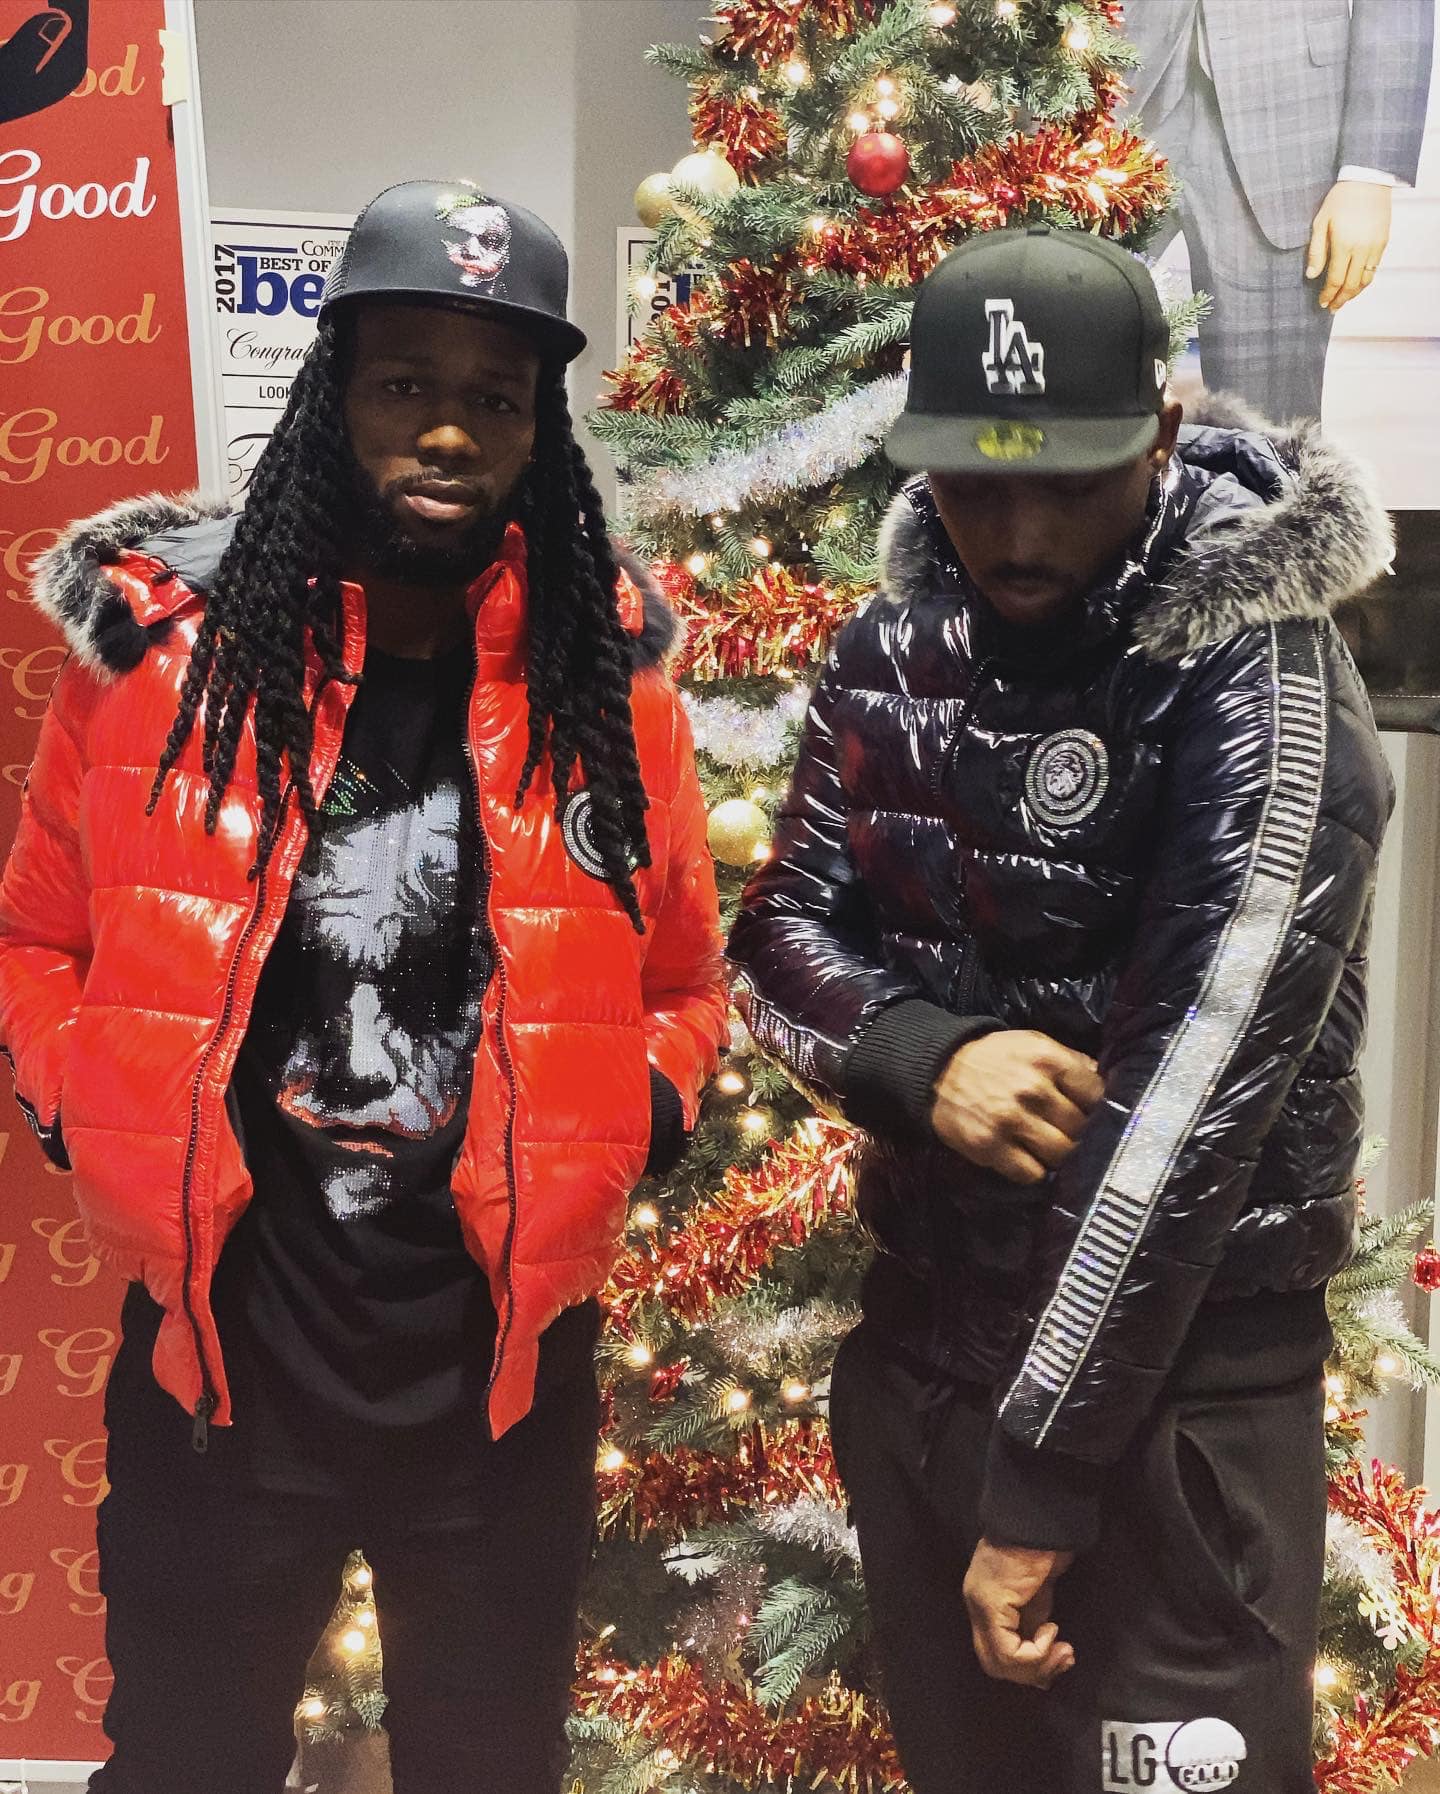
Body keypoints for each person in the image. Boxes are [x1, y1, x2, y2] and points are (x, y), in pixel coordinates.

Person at [0, 178, 727, 1794]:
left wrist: (643, 1110)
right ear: (333, 391)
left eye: (496, 397)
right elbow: (36, 940)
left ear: (538, 428)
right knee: (182, 1762)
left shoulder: (607, 687)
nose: (450, 431)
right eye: (406, 383)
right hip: (222, 1370)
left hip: (498, 1382)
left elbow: (684, 974)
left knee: (490, 1764)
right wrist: (74, 1100)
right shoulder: (158, 661)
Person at [728, 224, 1393, 1792]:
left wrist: (1037, 1486)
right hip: (929, 1361)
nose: (1017, 534)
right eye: (974, 485)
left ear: (1159, 434)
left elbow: (1186, 1110)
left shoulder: (1259, 678)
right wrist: (919, 1053)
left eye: (1069, 482)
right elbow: (775, 936)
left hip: (1174, 1410)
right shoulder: (892, 646)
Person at [1120, 0, 1433, 424]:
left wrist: (1368, 173)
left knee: (1270, 433)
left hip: (1287, 107)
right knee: (1066, 389)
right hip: (1101, 79)